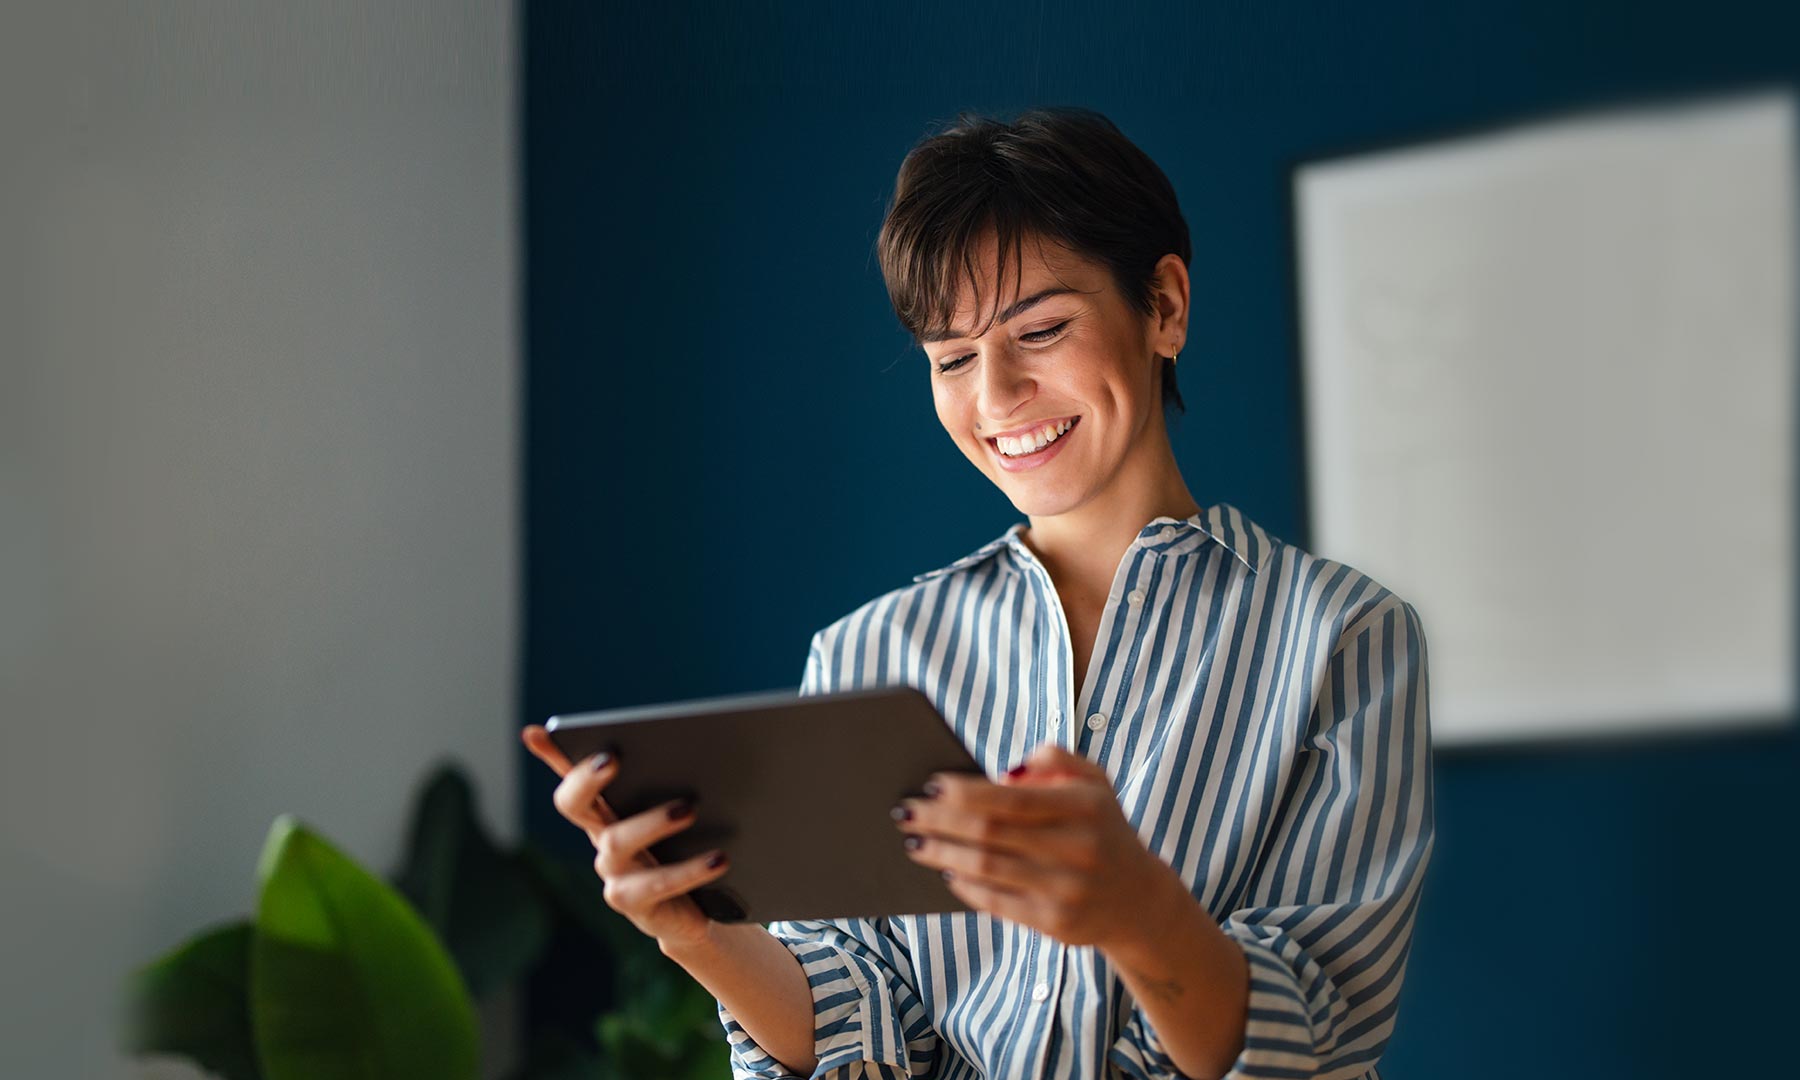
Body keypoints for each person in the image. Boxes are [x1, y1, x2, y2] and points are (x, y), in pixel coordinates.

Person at [522, 106, 1434, 1080]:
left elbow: (1319, 1039)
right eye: (951, 359)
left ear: (1164, 306)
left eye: (1040, 329)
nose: (995, 397)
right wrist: (695, 933)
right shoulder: (869, 655)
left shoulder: (1346, 639)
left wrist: (1141, 912)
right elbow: (864, 1025)